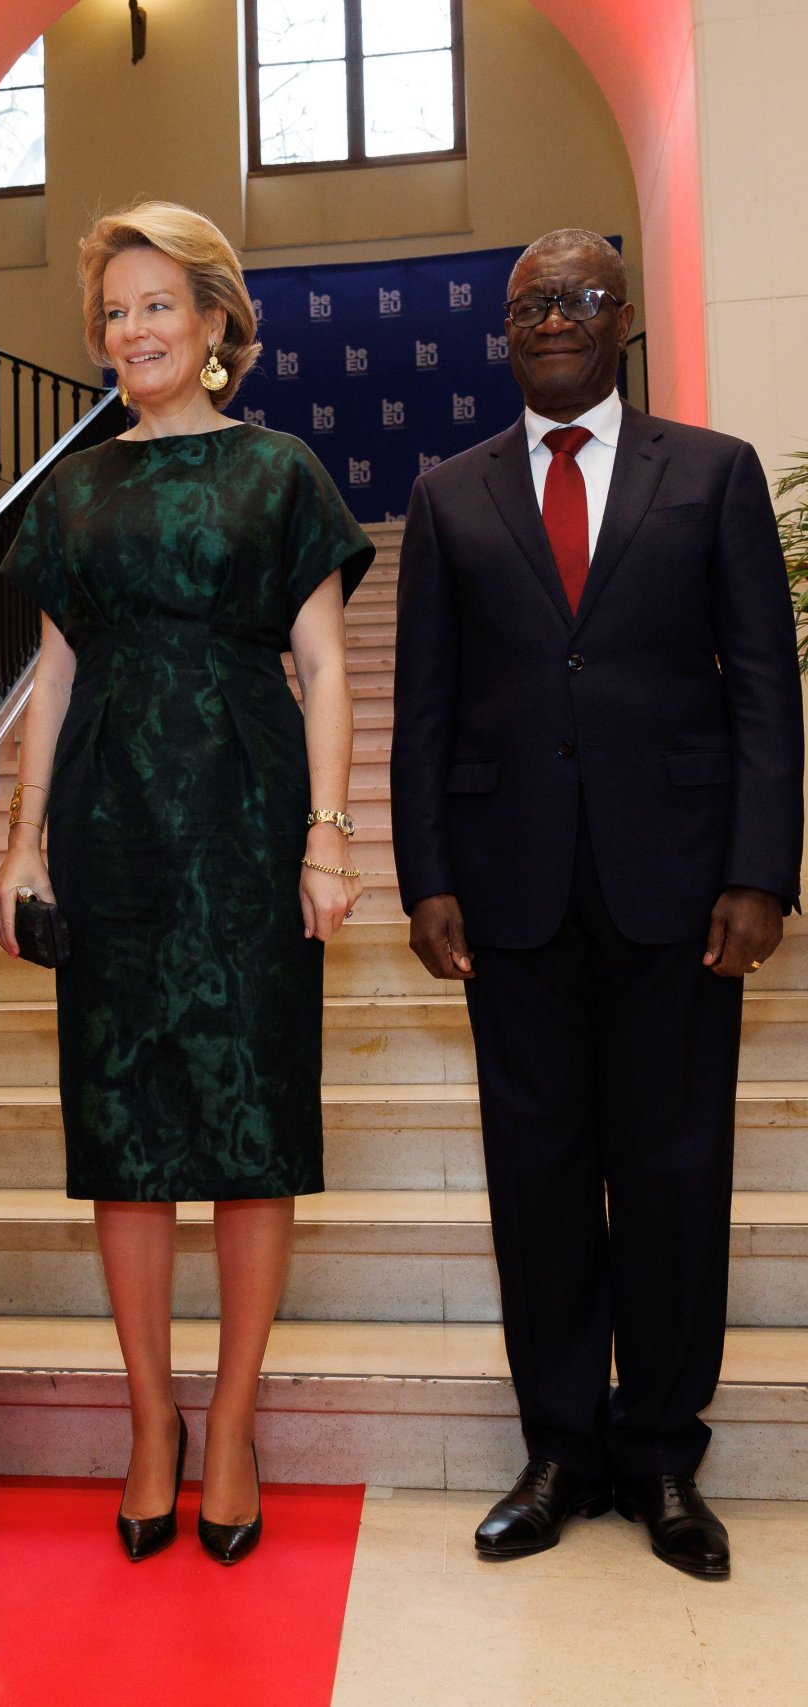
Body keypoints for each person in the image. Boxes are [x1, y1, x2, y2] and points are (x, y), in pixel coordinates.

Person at [392, 229, 804, 1579]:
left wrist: (759, 868)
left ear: (623, 318)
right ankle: (563, 1444)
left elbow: (760, 687)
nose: (552, 318)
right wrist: (427, 874)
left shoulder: (717, 471)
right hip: (510, 894)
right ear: (502, 331)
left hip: (681, 887)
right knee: (543, 1179)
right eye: (528, 304)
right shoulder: (450, 495)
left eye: (576, 299)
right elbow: (428, 705)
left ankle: (665, 1452)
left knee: (678, 1175)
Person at [0, 201, 373, 1565]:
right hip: (107, 825)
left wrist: (330, 831)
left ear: (216, 322)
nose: (134, 328)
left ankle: (232, 1423)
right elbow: (57, 675)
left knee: (252, 1120)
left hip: (248, 815)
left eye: (160, 302)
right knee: (128, 1135)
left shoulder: (280, 473)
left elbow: (325, 665)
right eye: (115, 309)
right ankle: (152, 1419)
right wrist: (22, 842)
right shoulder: (76, 489)